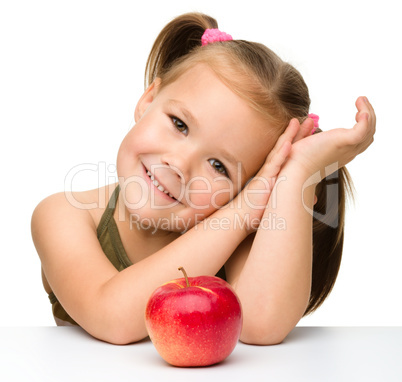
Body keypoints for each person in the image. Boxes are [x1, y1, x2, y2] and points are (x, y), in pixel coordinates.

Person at [31, 12, 376, 345]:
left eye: (218, 166)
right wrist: (240, 213)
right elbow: (111, 315)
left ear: (251, 189)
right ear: (148, 100)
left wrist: (299, 171)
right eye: (179, 124)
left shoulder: (235, 237)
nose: (180, 164)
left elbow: (262, 324)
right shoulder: (64, 215)